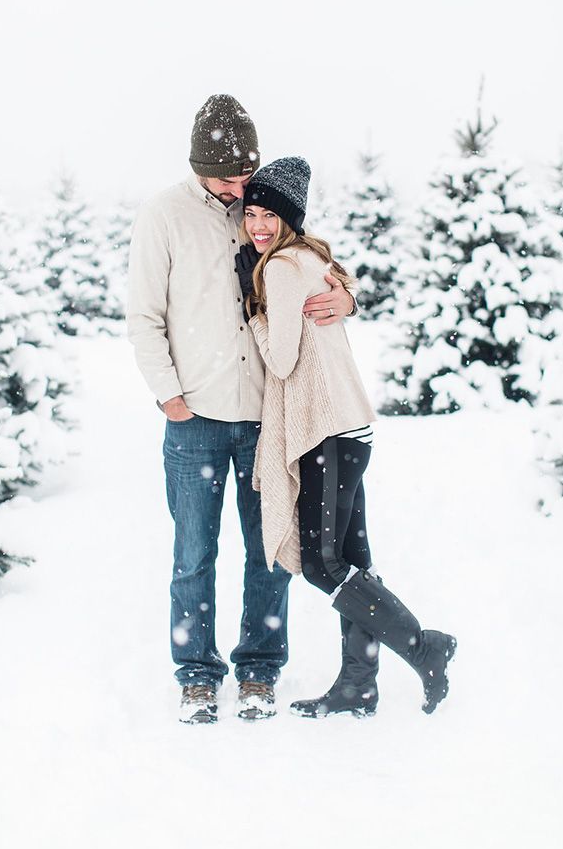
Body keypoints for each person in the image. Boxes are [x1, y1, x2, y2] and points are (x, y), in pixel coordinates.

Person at [127, 97, 356, 724]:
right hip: (193, 418)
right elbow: (143, 315)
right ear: (200, 166)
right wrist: (169, 396)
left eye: (245, 178)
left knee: (269, 548)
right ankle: (197, 673)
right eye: (228, 180)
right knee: (194, 552)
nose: (239, 192)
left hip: (267, 418)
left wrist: (346, 294)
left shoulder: (262, 209)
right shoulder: (165, 215)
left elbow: (315, 263)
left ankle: (260, 667)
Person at [236, 156, 456, 718]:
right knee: (352, 559)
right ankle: (359, 683)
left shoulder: (281, 268)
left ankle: (423, 649)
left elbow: (282, 360)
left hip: (325, 429)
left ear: (288, 220)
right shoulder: (312, 257)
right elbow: (331, 303)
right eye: (250, 213)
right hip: (349, 428)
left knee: (322, 565)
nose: (257, 225)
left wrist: (253, 306)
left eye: (268, 215)